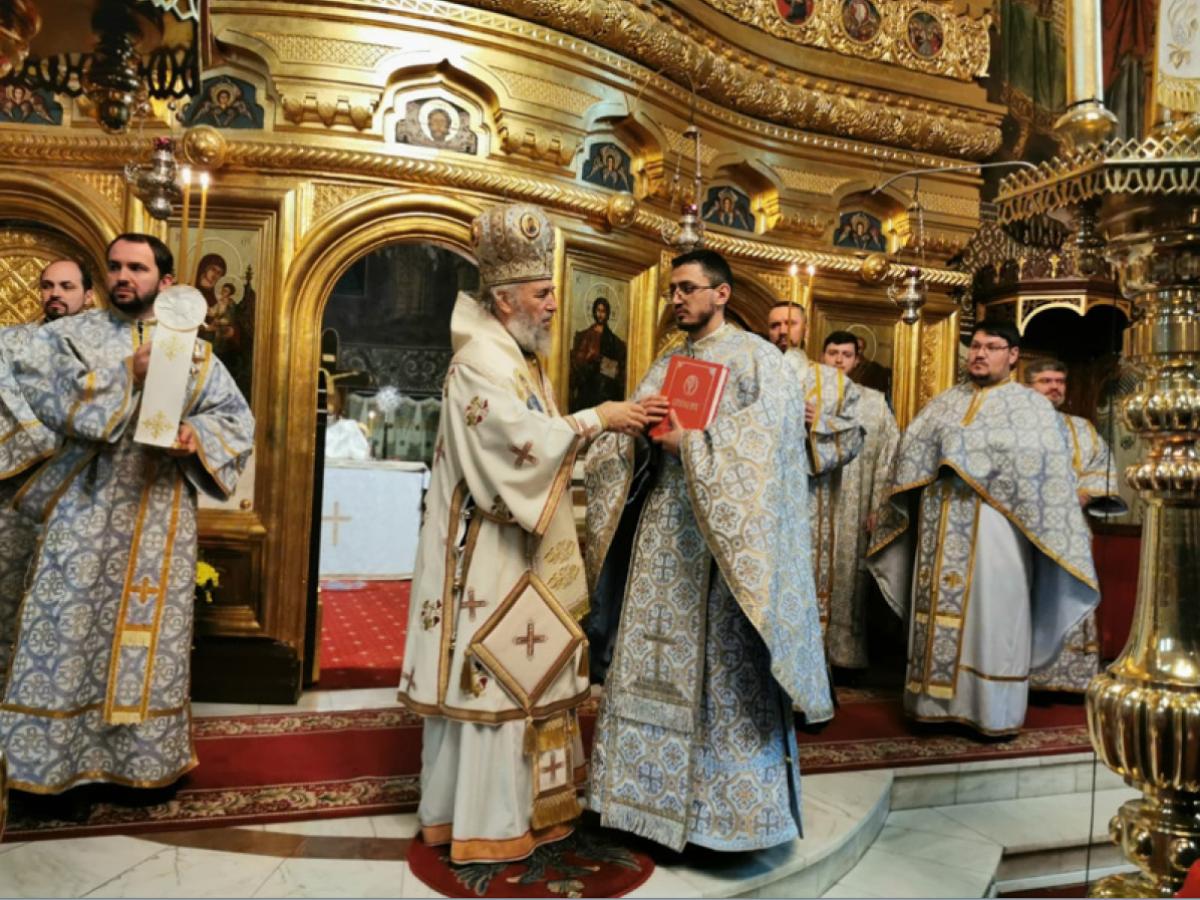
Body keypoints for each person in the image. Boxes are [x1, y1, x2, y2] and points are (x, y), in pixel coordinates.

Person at [397, 203, 653, 864]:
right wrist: (595, 419)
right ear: (506, 299)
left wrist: (605, 436)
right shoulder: (480, 362)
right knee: (499, 673)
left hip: (521, 547)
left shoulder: (520, 358)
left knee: (528, 667)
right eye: (542, 294)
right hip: (488, 550)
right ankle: (486, 819)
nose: (553, 306)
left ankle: (528, 812)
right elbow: (514, 449)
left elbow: (543, 445)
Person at [586, 249, 831, 852]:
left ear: (721, 294)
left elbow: (770, 445)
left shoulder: (758, 359)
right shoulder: (666, 362)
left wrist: (692, 445)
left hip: (725, 548)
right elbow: (629, 436)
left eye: (688, 288)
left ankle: (717, 820)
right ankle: (637, 802)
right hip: (664, 535)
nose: (676, 298)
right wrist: (639, 433)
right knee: (650, 663)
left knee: (720, 675)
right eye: (672, 289)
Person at [0, 233, 255, 798]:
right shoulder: (67, 336)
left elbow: (235, 419)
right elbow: (45, 397)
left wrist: (195, 436)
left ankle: (141, 768)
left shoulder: (193, 351)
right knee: (66, 634)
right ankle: (51, 773)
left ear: (165, 282)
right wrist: (126, 375)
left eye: (137, 268)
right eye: (115, 266)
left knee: (149, 639)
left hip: (158, 512)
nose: (123, 277)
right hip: (82, 508)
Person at [867, 322, 1099, 735]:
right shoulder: (943, 403)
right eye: (975, 345)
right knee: (935, 613)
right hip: (940, 525)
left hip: (997, 528)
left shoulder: (1031, 408)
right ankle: (932, 707)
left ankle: (991, 712)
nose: (979, 353)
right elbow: (910, 452)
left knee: (993, 614)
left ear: (1013, 355)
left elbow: (1043, 473)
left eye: (992, 347)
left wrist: (970, 459)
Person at [0, 258, 95, 703]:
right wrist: (44, 447)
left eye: (67, 286)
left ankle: (64, 700)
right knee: (9, 592)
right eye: (47, 285)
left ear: (88, 295)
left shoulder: (107, 347)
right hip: (19, 488)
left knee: (71, 601)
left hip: (86, 492)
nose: (55, 293)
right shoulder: (10, 342)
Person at [1026, 359, 1125, 692]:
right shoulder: (1014, 427)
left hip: (1072, 528)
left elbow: (1101, 466)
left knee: (1068, 590)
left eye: (1060, 381)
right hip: (1026, 526)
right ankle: (1025, 673)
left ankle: (1068, 676)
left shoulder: (1081, 428)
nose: (1054, 387)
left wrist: (1085, 493)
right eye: (1045, 381)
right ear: (1028, 387)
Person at [766, 302, 864, 639]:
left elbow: (854, 435)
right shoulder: (753, 372)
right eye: (775, 325)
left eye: (790, 324)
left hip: (810, 499)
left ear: (805, 330)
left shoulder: (834, 381)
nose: (782, 331)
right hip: (761, 496)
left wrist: (818, 422)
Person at [819, 330, 900, 671]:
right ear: (822, 356)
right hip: (815, 505)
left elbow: (889, 455)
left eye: (846, 354)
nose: (839, 360)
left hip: (855, 506)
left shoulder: (874, 402)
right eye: (832, 353)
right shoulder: (806, 395)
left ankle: (844, 655)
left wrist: (879, 505)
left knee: (849, 580)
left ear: (856, 360)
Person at [569, 295, 627, 411]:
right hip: (588, 385)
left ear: (607, 314)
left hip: (605, 389)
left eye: (603, 311)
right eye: (598, 310)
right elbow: (578, 362)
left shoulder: (614, 341)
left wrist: (600, 361)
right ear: (594, 312)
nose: (600, 314)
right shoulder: (585, 335)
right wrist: (588, 359)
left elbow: (617, 370)